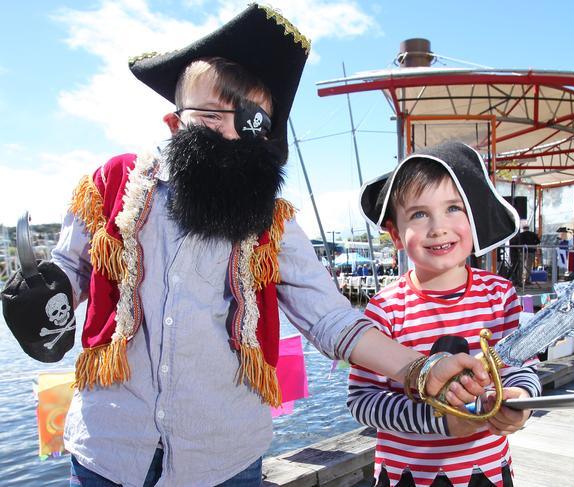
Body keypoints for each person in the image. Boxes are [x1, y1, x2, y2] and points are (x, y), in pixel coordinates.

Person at [0, 6, 490, 486]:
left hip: (224, 458)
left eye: (251, 123)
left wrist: (419, 368)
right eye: (214, 117)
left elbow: (330, 318)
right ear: (175, 124)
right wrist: (50, 294)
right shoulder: (114, 186)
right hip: (108, 451)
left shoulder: (272, 223)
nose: (232, 135)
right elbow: (74, 265)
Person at [348, 142, 542, 487]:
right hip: (406, 476)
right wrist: (440, 420)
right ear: (395, 233)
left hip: (487, 472)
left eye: (454, 208)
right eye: (419, 214)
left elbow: (521, 370)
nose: (438, 227)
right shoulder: (386, 307)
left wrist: (521, 401)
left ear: (474, 217)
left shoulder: (500, 296)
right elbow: (363, 402)